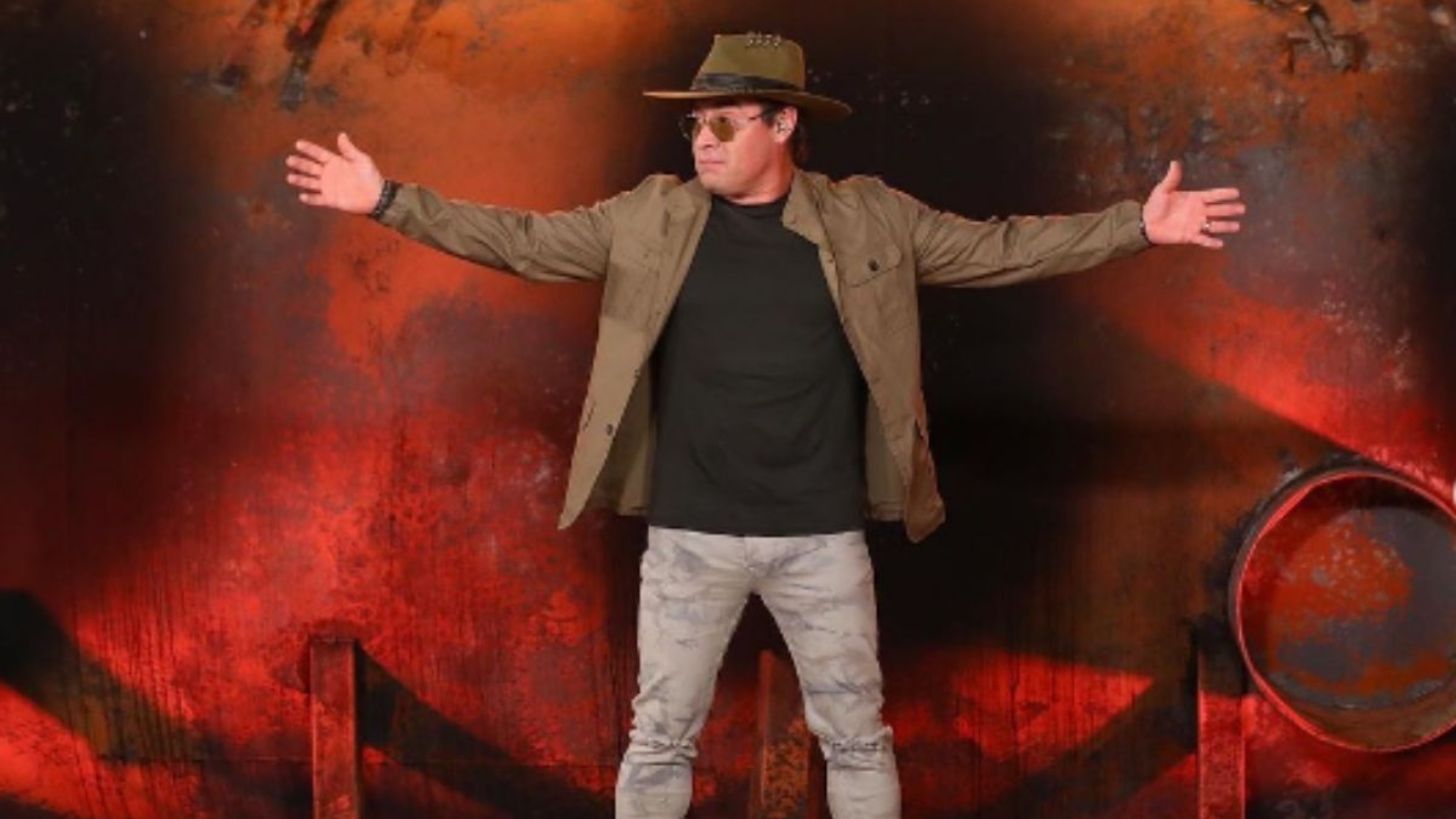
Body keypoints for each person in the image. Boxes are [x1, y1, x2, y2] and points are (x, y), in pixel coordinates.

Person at [284, 31, 1244, 819]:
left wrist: (1137, 226)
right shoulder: (651, 217)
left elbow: (1001, 248)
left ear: (784, 124)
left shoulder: (870, 220)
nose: (702, 142)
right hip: (689, 538)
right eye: (695, 124)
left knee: (856, 740)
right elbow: (524, 242)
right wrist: (388, 202)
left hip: (820, 538)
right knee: (658, 742)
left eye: (725, 122)